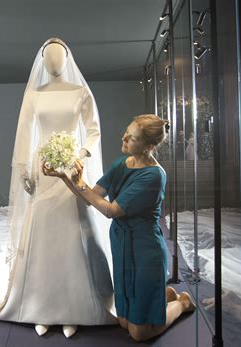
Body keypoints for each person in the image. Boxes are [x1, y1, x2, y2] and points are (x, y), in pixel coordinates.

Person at [0, 38, 115, 338]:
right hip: (44, 169)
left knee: (71, 235)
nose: (53, 60)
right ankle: (41, 307)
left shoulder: (80, 92)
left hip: (72, 169)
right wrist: (25, 169)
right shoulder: (34, 95)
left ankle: (73, 309)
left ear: (67, 58)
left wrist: (80, 155)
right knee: (42, 235)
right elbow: (25, 133)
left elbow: (93, 130)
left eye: (58, 55)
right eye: (48, 55)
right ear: (43, 60)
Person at [43, 114, 196, 342]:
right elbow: (90, 197)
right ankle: (163, 295)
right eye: (126, 131)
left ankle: (182, 302)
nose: (124, 138)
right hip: (122, 242)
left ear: (149, 146)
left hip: (145, 248)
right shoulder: (120, 164)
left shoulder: (154, 175)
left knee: (138, 333)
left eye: (132, 137)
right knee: (123, 321)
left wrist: (79, 182)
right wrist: (64, 176)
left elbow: (111, 210)